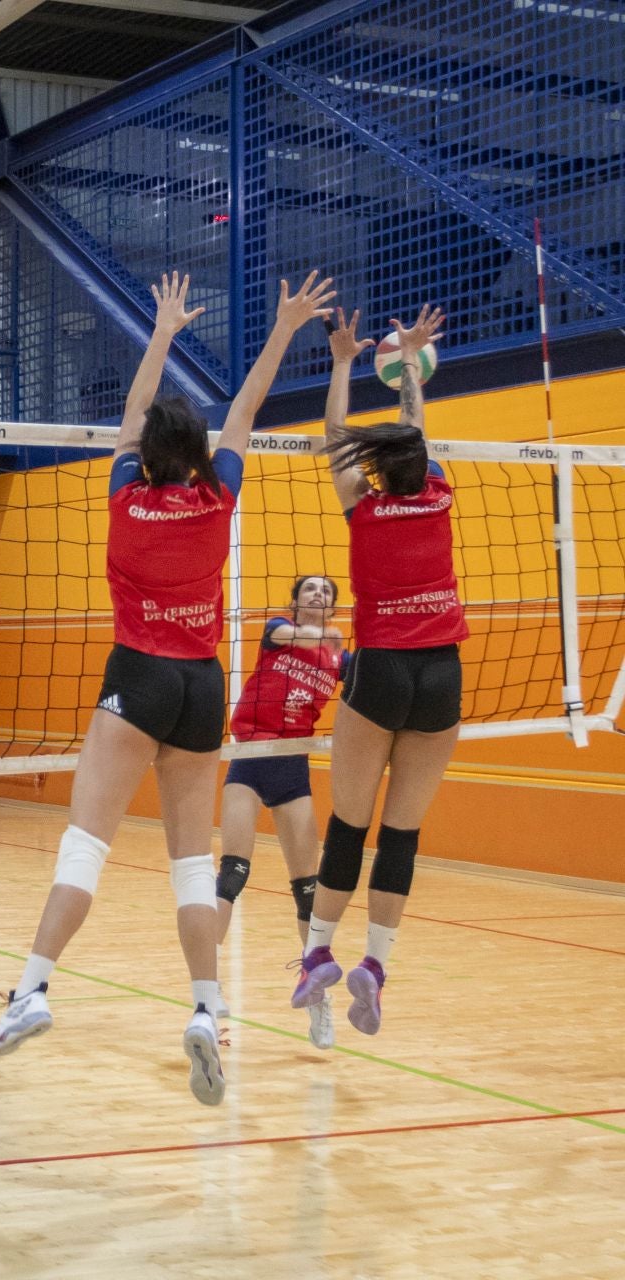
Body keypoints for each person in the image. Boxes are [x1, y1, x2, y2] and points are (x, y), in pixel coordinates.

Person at [0, 270, 337, 1107]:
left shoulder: (126, 497)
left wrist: (164, 332)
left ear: (146, 454)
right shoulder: (220, 496)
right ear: (198, 457)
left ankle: (31, 989)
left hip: (137, 678)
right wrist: (284, 325)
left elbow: (135, 415)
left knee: (85, 846)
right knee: (190, 867)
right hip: (203, 690)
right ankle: (208, 1012)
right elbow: (246, 410)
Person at [290, 304, 460, 1036]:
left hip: (383, 670)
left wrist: (340, 364)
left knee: (348, 828)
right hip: (442, 677)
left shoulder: (366, 509)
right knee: (403, 835)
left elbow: (336, 441)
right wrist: (413, 363)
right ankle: (376, 964)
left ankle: (319, 955)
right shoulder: (441, 497)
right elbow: (414, 434)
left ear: (378, 473)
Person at [215, 574, 346, 1048]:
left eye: (326, 592)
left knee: (308, 890)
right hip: (250, 761)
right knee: (232, 872)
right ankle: (208, 981)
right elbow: (296, 634)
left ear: (333, 605)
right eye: (309, 589)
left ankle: (317, 996)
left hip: (293, 769)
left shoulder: (338, 659)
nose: (317, 595)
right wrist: (333, 635)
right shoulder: (278, 630)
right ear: (295, 602)